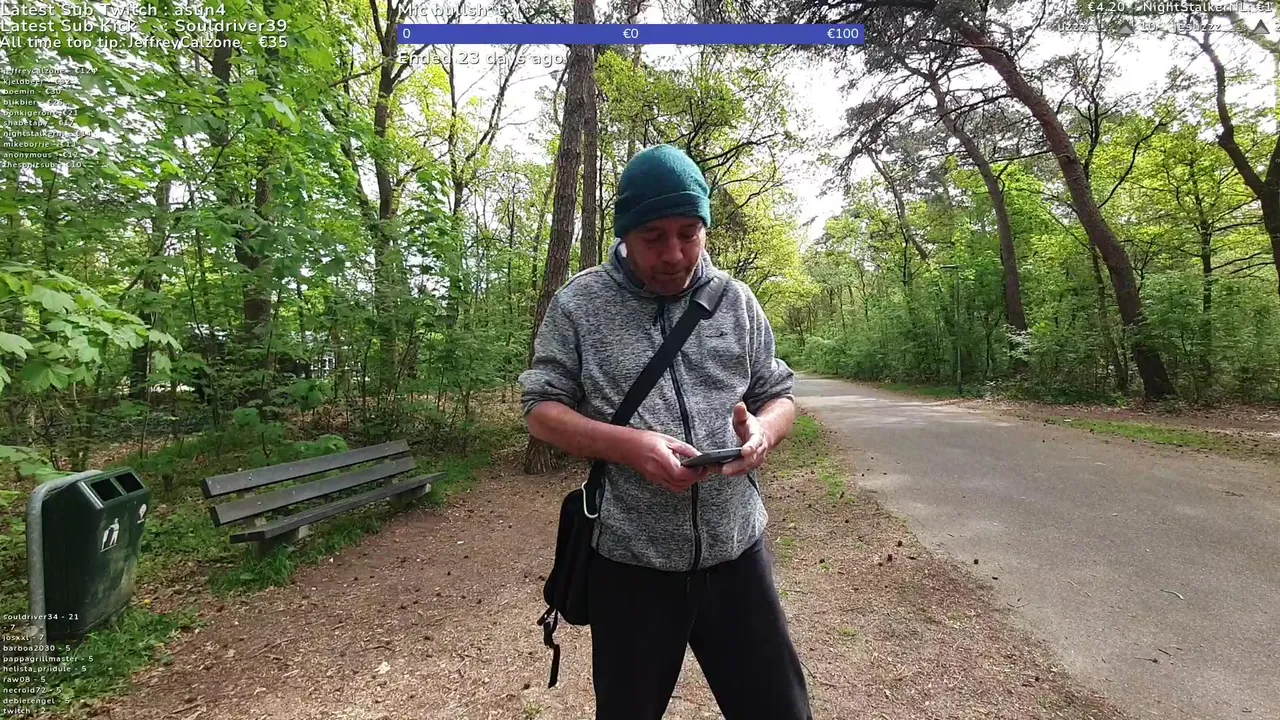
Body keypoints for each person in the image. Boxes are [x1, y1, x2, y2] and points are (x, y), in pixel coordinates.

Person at [519, 144, 812, 720]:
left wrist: (762, 432)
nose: (674, 254)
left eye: (688, 233)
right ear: (625, 234)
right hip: (631, 562)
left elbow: (779, 394)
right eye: (653, 237)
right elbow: (540, 409)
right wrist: (630, 446)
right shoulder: (580, 305)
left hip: (736, 551)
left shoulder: (734, 301)